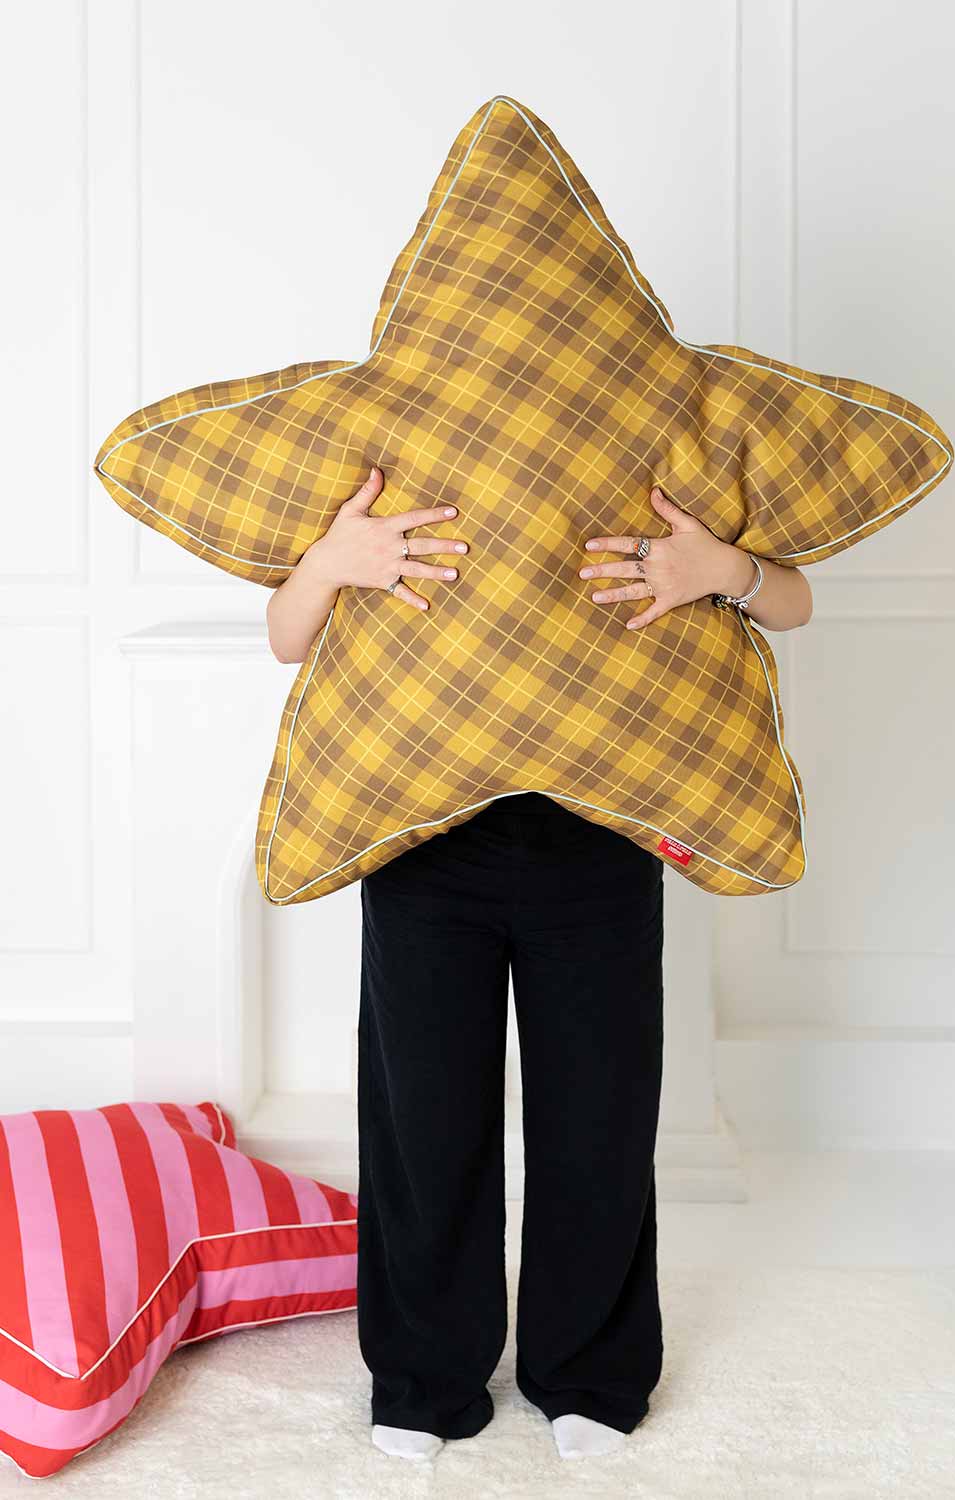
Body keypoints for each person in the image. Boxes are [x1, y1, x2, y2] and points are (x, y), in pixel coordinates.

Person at [266, 465, 812, 1462]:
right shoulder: (391, 455)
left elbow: (794, 601)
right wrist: (328, 563)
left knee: (599, 1119)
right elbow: (286, 637)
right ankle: (423, 1377)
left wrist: (723, 570)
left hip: (598, 848)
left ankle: (589, 1370)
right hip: (424, 846)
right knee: (423, 1120)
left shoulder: (645, 446)